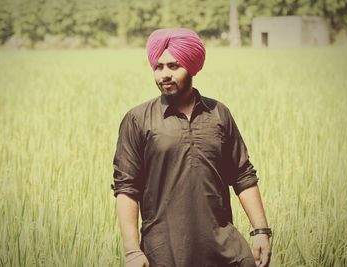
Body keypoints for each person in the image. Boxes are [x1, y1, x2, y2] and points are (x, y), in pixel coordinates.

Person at [111, 28, 271, 267]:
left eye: (174, 66)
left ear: (192, 66)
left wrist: (261, 230)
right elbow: (126, 188)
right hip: (164, 253)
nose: (164, 74)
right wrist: (133, 251)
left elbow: (242, 174)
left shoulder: (218, 114)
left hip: (224, 249)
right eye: (159, 66)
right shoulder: (138, 119)